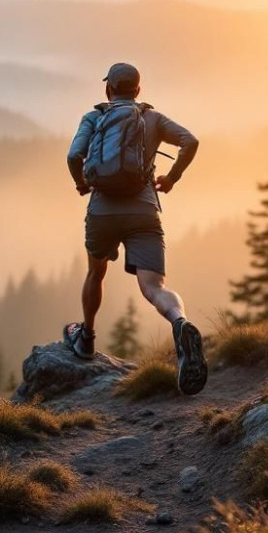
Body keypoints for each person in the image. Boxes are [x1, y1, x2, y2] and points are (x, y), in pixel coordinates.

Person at [63, 62, 207, 395]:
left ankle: (86, 339)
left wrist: (81, 183)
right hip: (144, 211)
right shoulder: (152, 119)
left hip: (102, 212)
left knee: (96, 273)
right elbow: (190, 141)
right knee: (154, 286)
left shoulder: (94, 117)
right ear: (138, 90)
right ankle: (180, 321)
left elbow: (73, 156)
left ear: (108, 90)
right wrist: (171, 178)